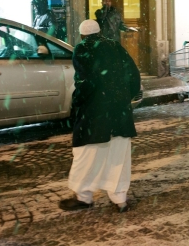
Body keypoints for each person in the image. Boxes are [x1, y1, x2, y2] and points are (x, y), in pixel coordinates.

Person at [59, 19, 140, 213]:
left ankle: (83, 196)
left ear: (82, 35)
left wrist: (78, 101)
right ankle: (119, 198)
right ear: (100, 32)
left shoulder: (82, 49)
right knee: (118, 155)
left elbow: (85, 81)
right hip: (119, 112)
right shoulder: (116, 47)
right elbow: (134, 75)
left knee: (86, 153)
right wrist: (125, 98)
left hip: (95, 113)